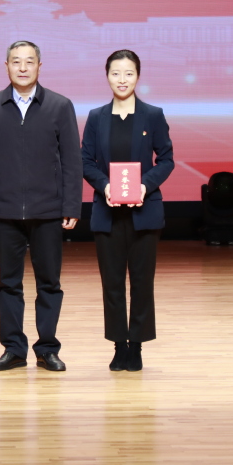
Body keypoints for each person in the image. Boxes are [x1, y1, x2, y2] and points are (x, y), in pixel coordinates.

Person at [0, 41, 83, 372]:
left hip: (48, 211)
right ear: (6, 66)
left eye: (29, 62)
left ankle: (47, 349)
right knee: (9, 283)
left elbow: (72, 161)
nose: (23, 68)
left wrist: (71, 205)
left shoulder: (60, 106)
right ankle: (14, 349)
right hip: (4, 212)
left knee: (49, 282)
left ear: (39, 66)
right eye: (16, 62)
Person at [81, 50, 174, 371]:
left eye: (129, 73)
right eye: (116, 74)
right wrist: (106, 186)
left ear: (138, 76)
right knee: (112, 283)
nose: (122, 80)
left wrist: (144, 186)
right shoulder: (96, 117)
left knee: (142, 282)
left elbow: (166, 160)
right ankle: (119, 345)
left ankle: (137, 346)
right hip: (107, 213)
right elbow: (86, 161)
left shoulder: (153, 115)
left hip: (144, 213)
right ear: (107, 76)